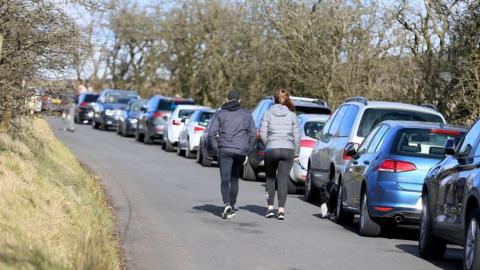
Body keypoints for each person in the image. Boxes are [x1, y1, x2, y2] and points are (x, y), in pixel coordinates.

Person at [208, 90, 256, 219]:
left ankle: (227, 204)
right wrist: (247, 149)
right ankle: (232, 207)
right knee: (234, 178)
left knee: (225, 179)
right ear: (239, 100)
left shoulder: (220, 114)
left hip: (225, 149)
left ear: (226, 99)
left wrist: (217, 148)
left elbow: (211, 133)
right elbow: (253, 134)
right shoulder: (247, 115)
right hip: (240, 151)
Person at [260, 88, 300, 220]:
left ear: (274, 99)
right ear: (287, 99)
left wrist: (268, 144)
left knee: (270, 179)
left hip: (272, 149)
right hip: (288, 149)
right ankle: (281, 210)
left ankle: (270, 208)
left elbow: (262, 133)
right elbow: (297, 136)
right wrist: (296, 152)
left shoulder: (267, 114)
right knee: (282, 180)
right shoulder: (292, 115)